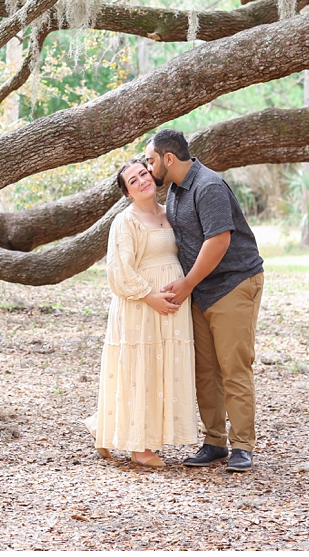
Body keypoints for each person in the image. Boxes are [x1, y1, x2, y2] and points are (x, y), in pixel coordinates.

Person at [145, 129, 265, 473]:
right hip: (201, 290)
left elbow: (219, 241)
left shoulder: (208, 186)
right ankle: (215, 442)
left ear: (169, 159)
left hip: (233, 282)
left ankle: (242, 446)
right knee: (206, 370)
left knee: (234, 367)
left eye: (151, 160)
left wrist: (185, 284)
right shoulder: (177, 191)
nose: (148, 167)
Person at [84, 158, 198, 467]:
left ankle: (105, 431)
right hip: (140, 307)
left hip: (171, 306)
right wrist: (151, 298)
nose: (142, 181)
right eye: (133, 181)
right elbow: (119, 270)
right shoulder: (126, 220)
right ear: (128, 192)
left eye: (143, 174)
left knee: (159, 372)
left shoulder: (169, 213)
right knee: (140, 371)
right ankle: (140, 448)